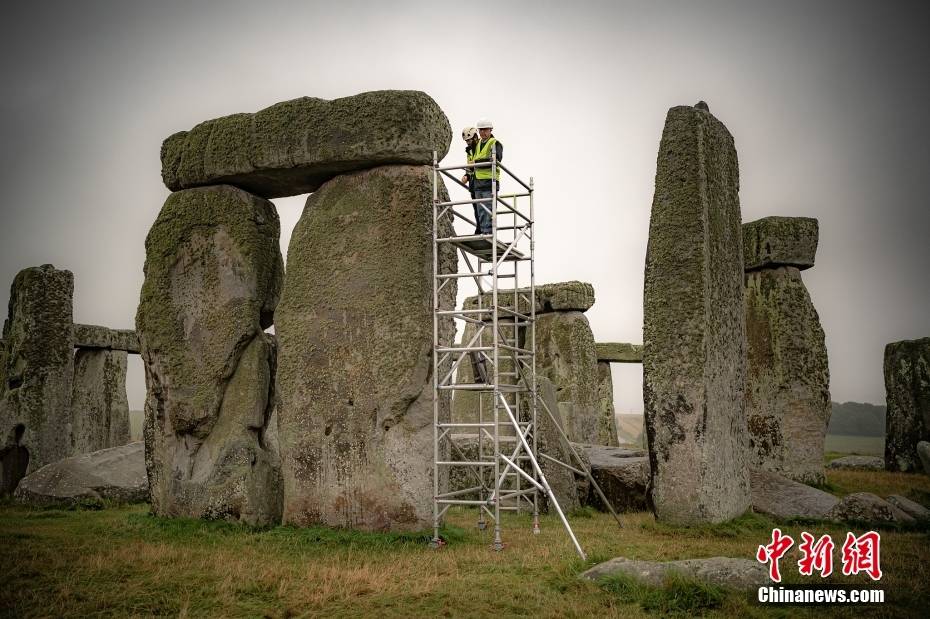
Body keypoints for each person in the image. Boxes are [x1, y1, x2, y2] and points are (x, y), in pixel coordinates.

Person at [471, 118, 503, 235]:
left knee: (488, 208)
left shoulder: (495, 143)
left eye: (485, 130)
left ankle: (488, 233)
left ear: (490, 130)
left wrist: (476, 163)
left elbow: (496, 159)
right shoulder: (478, 143)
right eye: (481, 130)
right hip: (478, 181)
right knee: (480, 209)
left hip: (490, 180)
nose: (483, 132)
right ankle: (483, 232)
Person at [460, 127, 481, 233]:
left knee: (482, 207)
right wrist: (466, 176)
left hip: (481, 180)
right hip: (473, 182)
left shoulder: (480, 147)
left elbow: (480, 162)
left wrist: (475, 163)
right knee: (476, 207)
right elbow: (470, 167)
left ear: (475, 137)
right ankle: (478, 228)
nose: (468, 142)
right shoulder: (469, 151)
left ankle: (483, 229)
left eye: (469, 140)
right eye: (466, 141)